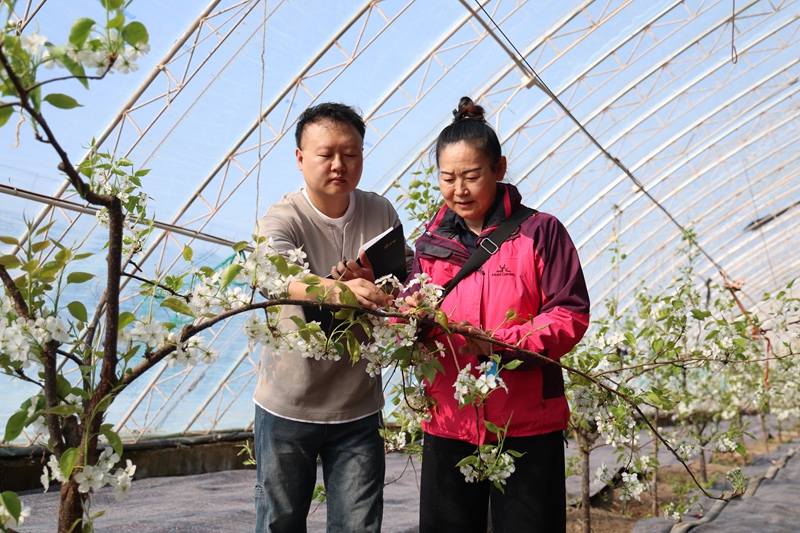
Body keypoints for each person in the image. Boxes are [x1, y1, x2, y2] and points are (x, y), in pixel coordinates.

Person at [405, 97, 590, 532]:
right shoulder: (428, 247)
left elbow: (568, 313)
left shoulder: (540, 232)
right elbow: (409, 318)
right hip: (449, 420)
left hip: (525, 423)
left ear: (499, 169)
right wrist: (406, 320)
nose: (459, 190)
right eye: (447, 178)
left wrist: (501, 343)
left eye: (471, 176)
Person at [252, 102, 414, 533]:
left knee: (359, 526)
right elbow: (273, 276)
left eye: (352, 153)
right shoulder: (282, 218)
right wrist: (340, 289)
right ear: (301, 158)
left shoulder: (381, 212)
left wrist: (390, 290)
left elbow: (408, 273)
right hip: (289, 405)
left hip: (358, 407)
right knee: (279, 523)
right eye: (326, 154)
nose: (340, 165)